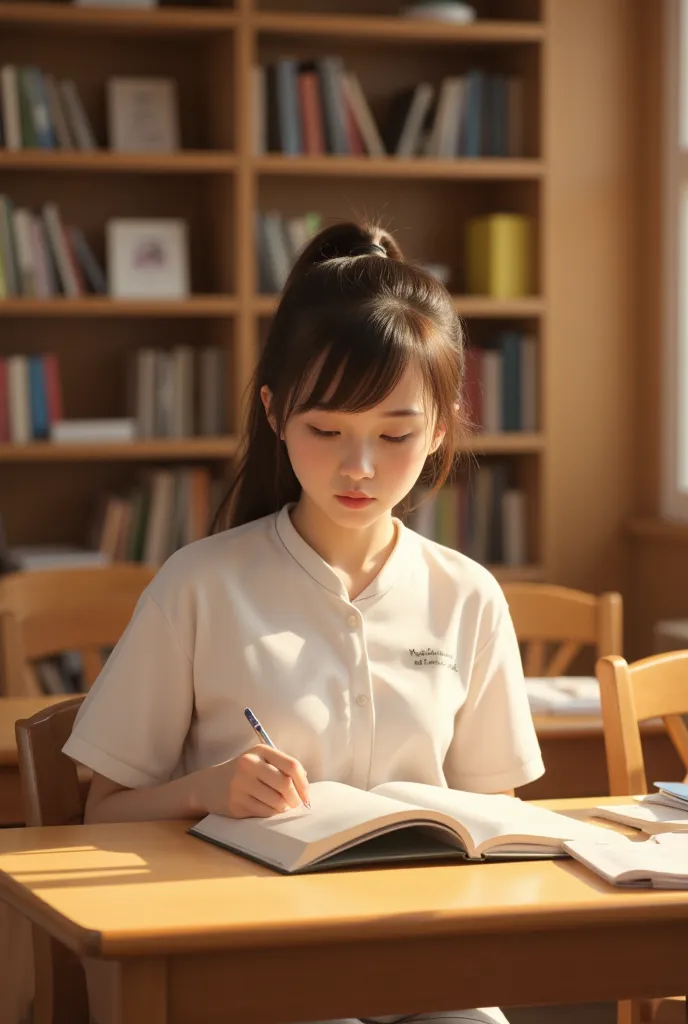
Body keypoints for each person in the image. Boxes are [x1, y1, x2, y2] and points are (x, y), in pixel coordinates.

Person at [63, 220, 545, 1024]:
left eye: (395, 434)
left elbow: (502, 823)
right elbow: (98, 812)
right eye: (326, 431)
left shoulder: (467, 595)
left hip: (422, 947)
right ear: (276, 414)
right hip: (244, 948)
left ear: (439, 427)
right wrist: (206, 790)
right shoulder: (200, 585)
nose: (359, 467)